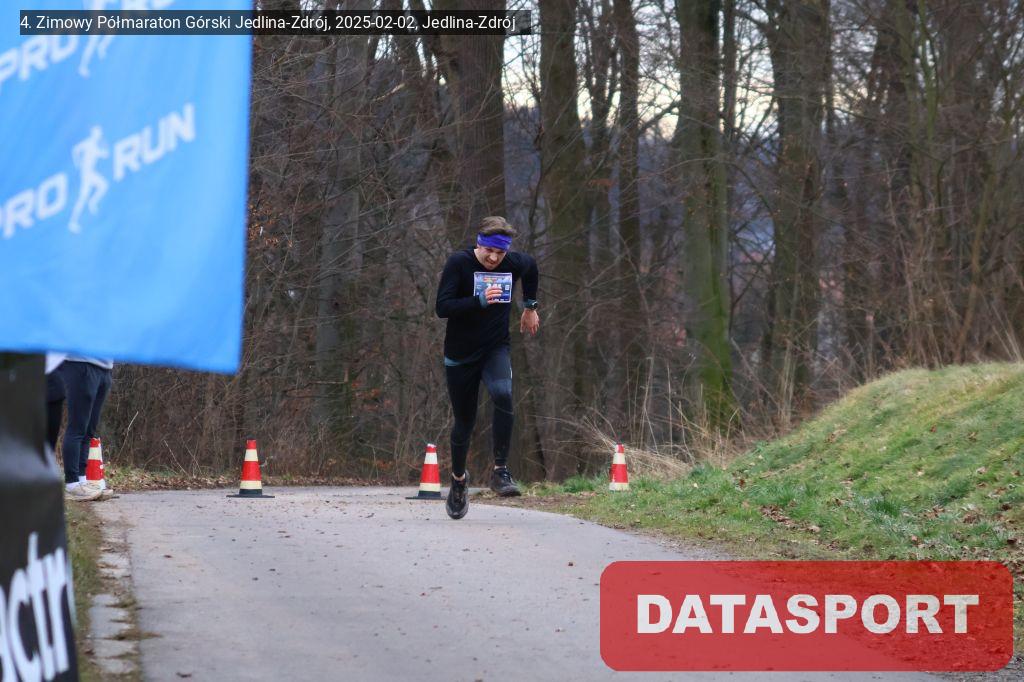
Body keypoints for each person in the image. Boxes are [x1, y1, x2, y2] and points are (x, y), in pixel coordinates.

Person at [435, 216, 540, 519]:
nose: (494, 259)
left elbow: (531, 267)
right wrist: (478, 301)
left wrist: (530, 307)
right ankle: (458, 481)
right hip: (460, 355)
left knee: (503, 394)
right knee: (464, 422)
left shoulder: (513, 263)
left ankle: (500, 471)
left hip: (495, 348)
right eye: (489, 252)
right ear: (479, 244)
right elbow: (442, 307)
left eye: (500, 253)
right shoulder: (459, 263)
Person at [57, 355, 114, 501]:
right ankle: (72, 484)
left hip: (105, 367)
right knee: (77, 428)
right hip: (81, 363)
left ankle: (82, 480)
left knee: (89, 430)